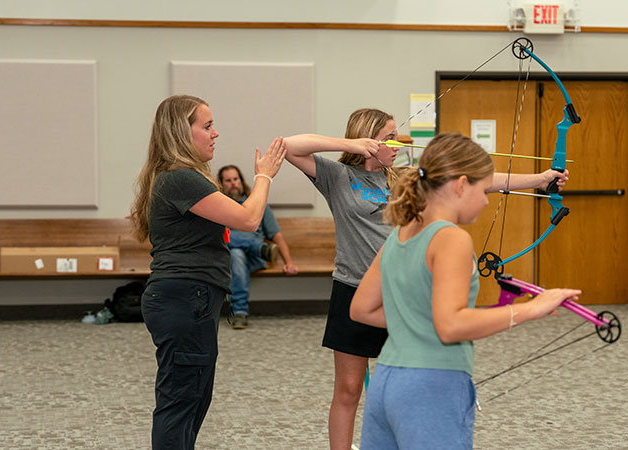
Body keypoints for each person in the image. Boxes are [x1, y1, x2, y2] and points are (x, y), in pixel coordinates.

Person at [284, 108, 571, 450]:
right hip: (354, 287)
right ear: (368, 138)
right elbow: (287, 146)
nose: (396, 142)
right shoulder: (338, 175)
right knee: (348, 390)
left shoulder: (403, 177)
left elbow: (477, 182)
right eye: (389, 136)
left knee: (402, 370)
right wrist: (352, 145)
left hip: (404, 288)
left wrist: (540, 180)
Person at [349, 133, 582, 449]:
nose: (487, 199)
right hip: (431, 385)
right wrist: (534, 308)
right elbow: (451, 326)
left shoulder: (400, 234)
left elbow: (361, 309)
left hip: (387, 382)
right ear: (460, 185)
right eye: (483, 188)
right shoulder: (451, 238)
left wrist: (420, 322)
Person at [131, 94, 286, 449]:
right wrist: (263, 176)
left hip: (188, 299)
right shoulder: (180, 178)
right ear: (182, 132)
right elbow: (248, 219)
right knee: (181, 402)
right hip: (185, 299)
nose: (216, 133)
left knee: (192, 398)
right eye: (208, 125)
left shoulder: (175, 178)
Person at [217, 164, 299, 329]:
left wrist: (288, 261)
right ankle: (258, 246)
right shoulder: (219, 206)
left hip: (255, 259)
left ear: (241, 181)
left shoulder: (257, 205)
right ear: (221, 184)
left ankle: (239, 312)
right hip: (228, 258)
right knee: (234, 251)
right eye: (228, 180)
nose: (233, 183)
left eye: (236, 179)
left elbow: (277, 235)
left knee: (236, 252)